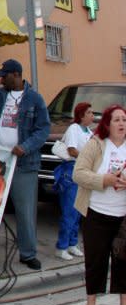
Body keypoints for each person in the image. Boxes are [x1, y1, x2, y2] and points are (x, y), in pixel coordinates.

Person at [0, 59, 50, 270]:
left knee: (25, 211)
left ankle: (27, 253)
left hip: (23, 163)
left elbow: (43, 129)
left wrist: (25, 146)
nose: (1, 79)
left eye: (4, 76)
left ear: (16, 75)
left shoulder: (35, 99)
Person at [72, 104, 126, 305]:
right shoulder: (96, 144)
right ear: (106, 124)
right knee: (95, 263)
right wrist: (105, 180)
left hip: (123, 217)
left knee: (124, 263)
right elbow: (78, 173)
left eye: (124, 119)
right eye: (116, 120)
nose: (122, 123)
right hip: (96, 213)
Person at [55, 102, 94, 260]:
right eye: (90, 113)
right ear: (82, 115)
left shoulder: (89, 132)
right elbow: (71, 150)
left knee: (78, 211)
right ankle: (62, 246)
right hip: (71, 171)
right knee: (69, 211)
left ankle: (72, 244)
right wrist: (88, 159)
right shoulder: (74, 129)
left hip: (83, 172)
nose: (92, 115)